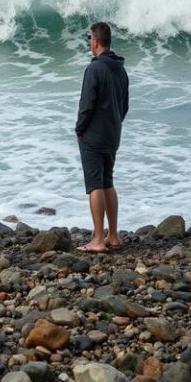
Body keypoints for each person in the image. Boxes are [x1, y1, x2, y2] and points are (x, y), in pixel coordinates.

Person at [75, 22, 129, 253]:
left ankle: (97, 239)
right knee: (108, 181)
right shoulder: (120, 68)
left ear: (95, 41)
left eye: (90, 39)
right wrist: (115, 124)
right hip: (113, 133)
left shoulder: (94, 69)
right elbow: (124, 106)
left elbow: (86, 105)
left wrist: (80, 129)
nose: (90, 42)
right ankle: (113, 235)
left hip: (94, 135)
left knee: (95, 184)